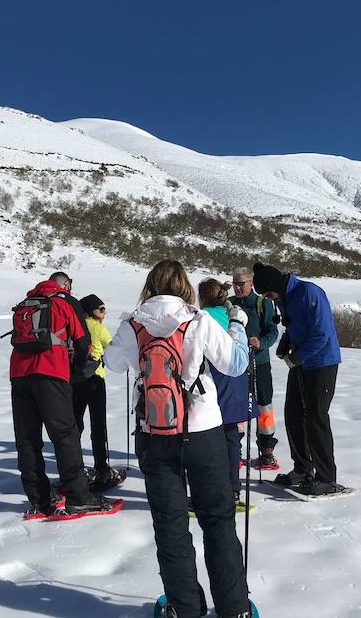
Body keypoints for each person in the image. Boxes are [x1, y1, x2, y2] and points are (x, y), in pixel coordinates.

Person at [104, 260, 253, 618]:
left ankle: (184, 608)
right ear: (184, 286)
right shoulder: (197, 320)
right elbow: (235, 364)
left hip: (154, 432)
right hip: (204, 431)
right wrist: (237, 327)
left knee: (170, 523)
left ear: (150, 286)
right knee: (217, 518)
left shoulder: (133, 323)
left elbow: (111, 363)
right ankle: (235, 608)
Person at [9, 277, 115, 518]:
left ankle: (39, 500)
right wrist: (77, 369)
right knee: (65, 435)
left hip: (19, 375)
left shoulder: (27, 301)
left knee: (27, 439)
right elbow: (82, 341)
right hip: (51, 373)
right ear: (65, 286)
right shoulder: (65, 301)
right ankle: (79, 497)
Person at [250, 262, 346, 497]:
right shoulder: (284, 298)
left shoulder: (309, 293)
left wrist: (298, 357)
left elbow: (321, 333)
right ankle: (303, 469)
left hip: (322, 362)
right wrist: (285, 346)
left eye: (268, 294)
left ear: (276, 286)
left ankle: (326, 478)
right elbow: (293, 327)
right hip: (301, 363)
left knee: (316, 418)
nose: (269, 299)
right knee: (293, 415)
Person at [197, 278, 257, 506]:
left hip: (214, 382)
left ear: (202, 298)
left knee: (210, 438)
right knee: (232, 437)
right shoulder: (232, 315)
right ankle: (233, 488)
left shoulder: (203, 318)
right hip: (238, 381)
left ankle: (215, 488)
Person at [229, 266, 281, 469]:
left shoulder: (263, 303)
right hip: (237, 364)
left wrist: (260, 342)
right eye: (235, 283)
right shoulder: (229, 304)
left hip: (260, 362)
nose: (237, 287)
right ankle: (235, 448)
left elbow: (273, 332)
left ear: (251, 283)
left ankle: (267, 450)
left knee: (264, 405)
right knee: (237, 405)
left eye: (241, 283)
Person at [72, 293, 124, 491]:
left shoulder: (76, 326)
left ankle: (74, 468)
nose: (104, 312)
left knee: (76, 424)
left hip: (75, 380)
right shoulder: (98, 328)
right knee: (98, 425)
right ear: (91, 311)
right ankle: (101, 469)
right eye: (100, 309)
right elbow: (111, 352)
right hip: (95, 380)